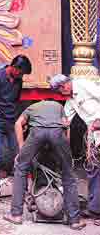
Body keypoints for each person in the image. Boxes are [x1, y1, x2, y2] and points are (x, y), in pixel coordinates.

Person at [4, 79, 86, 230]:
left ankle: (15, 215)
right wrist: (65, 150)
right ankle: (75, 220)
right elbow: (66, 125)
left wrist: (22, 148)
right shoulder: (59, 107)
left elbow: (17, 124)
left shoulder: (31, 108)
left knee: (21, 169)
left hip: (37, 133)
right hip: (57, 133)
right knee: (68, 175)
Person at [0, 54, 32, 208]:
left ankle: (24, 191)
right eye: (21, 73)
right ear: (14, 68)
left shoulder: (18, 80)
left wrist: (20, 121)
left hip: (12, 123)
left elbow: (16, 101)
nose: (21, 76)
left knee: (21, 156)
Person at [53, 73, 100, 223]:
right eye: (59, 91)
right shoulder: (71, 99)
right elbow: (66, 119)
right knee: (93, 168)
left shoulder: (84, 84)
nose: (62, 93)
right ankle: (95, 209)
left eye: (61, 89)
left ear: (66, 84)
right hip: (94, 134)